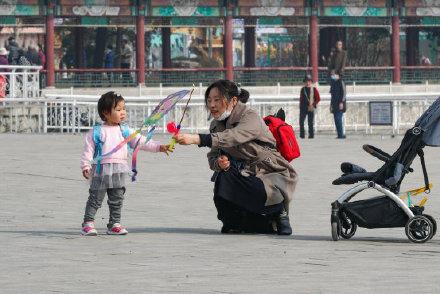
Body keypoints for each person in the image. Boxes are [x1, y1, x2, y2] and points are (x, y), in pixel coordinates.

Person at [174, 80, 298, 235]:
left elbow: (234, 136)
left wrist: (198, 139)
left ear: (233, 100)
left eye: (217, 100)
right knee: (224, 181)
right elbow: (213, 157)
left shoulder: (250, 116)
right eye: (209, 100)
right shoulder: (215, 125)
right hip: (242, 173)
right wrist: (220, 163)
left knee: (260, 190)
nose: (212, 105)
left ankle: (279, 211)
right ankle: (244, 221)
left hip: (269, 171)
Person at [80, 91, 170, 236]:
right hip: (100, 170)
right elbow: (88, 150)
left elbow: (141, 142)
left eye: (124, 109)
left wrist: (159, 147)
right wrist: (86, 165)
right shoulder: (97, 132)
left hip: (119, 170)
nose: (123, 112)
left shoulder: (125, 130)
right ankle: (88, 223)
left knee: (117, 198)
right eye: (118, 109)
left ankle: (114, 223)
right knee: (95, 198)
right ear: (106, 113)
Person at [299, 74, 320, 139]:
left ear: (311, 82)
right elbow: (301, 98)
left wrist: (313, 104)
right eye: (306, 81)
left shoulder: (314, 89)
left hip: (310, 107)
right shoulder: (303, 89)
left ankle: (311, 135)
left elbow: (318, 98)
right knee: (301, 121)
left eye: (309, 81)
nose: (308, 82)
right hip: (303, 107)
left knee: (310, 122)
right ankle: (302, 135)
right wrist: (300, 106)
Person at [329, 70, 346, 139]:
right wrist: (331, 105)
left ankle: (341, 134)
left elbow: (344, 93)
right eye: (332, 75)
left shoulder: (341, 82)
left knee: (338, 119)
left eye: (334, 74)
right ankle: (339, 134)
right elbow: (332, 96)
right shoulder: (333, 83)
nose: (332, 76)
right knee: (336, 120)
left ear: (337, 75)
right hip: (334, 104)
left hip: (340, 104)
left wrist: (341, 102)